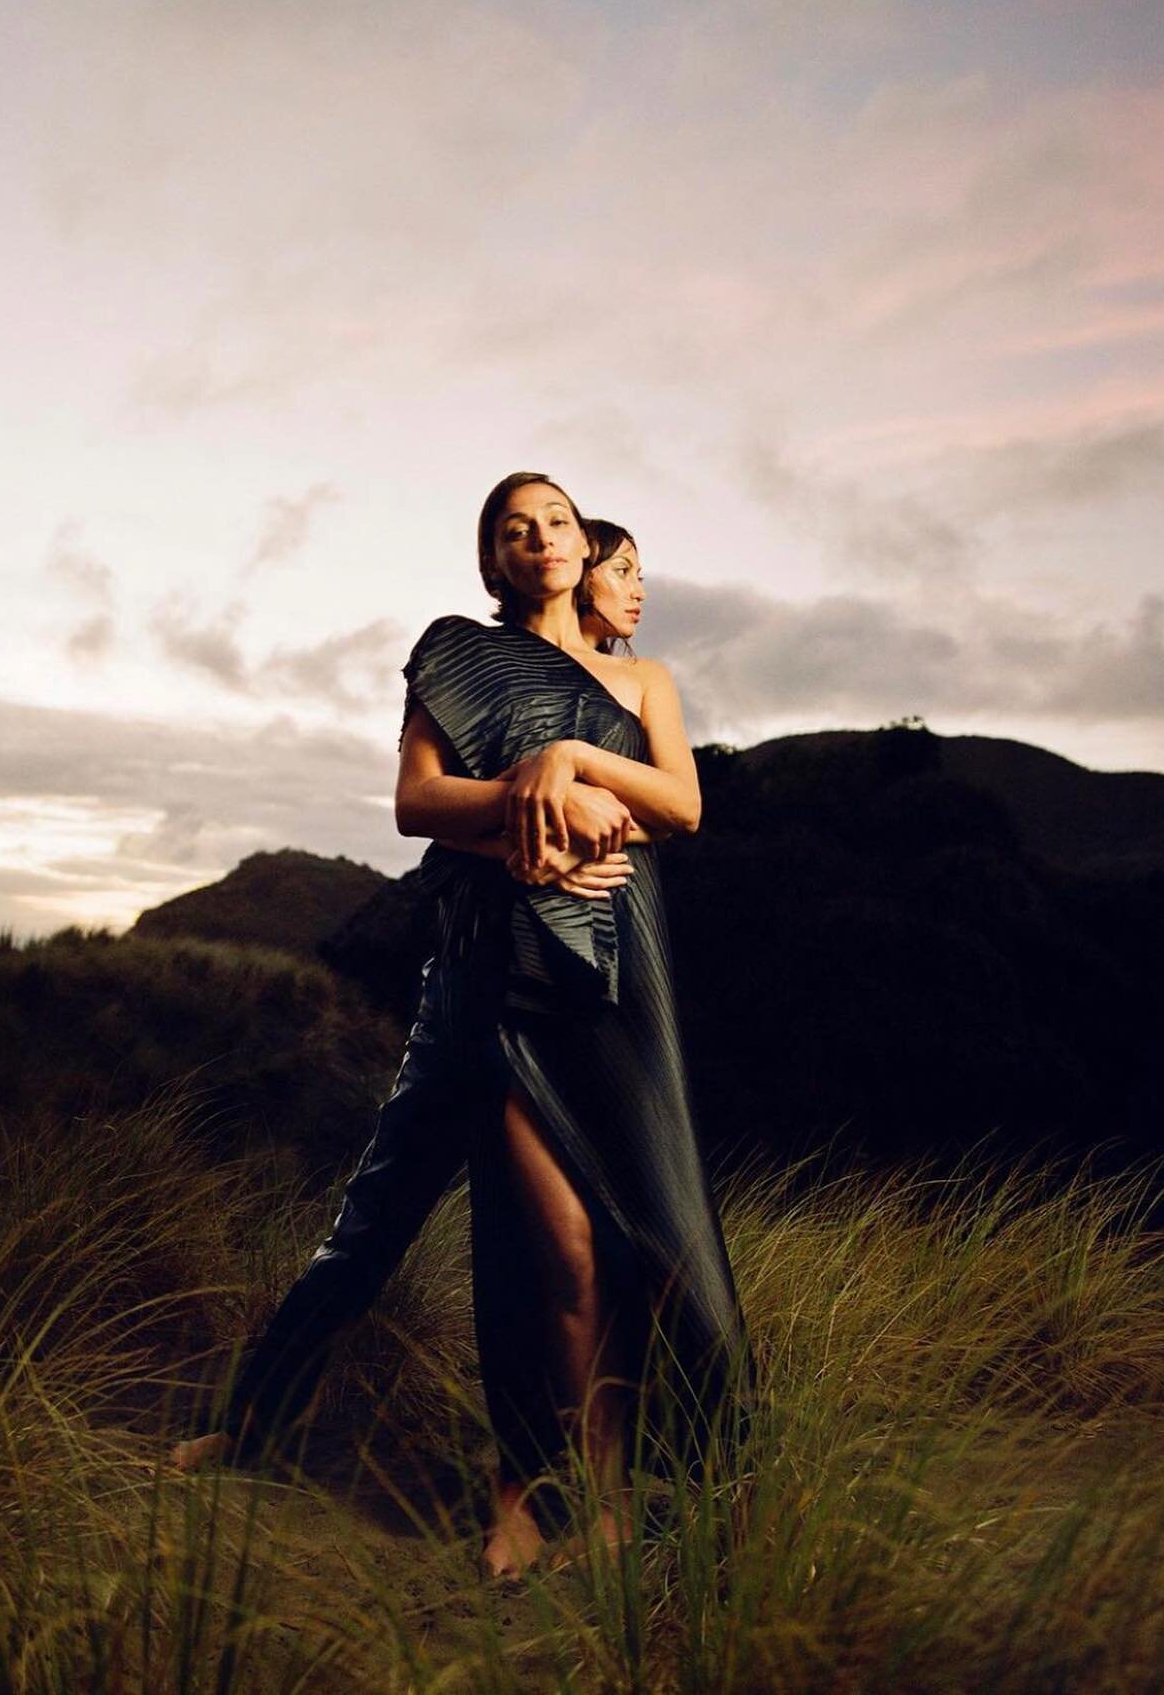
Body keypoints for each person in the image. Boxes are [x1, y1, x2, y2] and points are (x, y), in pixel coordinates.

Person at [171, 479, 755, 1583]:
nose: (539, 538)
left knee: (631, 1241)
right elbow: (418, 803)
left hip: (618, 963)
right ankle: (266, 1427)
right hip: (487, 961)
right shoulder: (454, 654)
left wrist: (566, 764)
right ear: (491, 558)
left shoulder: (640, 679)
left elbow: (678, 807)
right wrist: (524, 831)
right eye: (513, 527)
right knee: (380, 1226)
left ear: (588, 549)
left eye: (560, 523)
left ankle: (619, 1484)